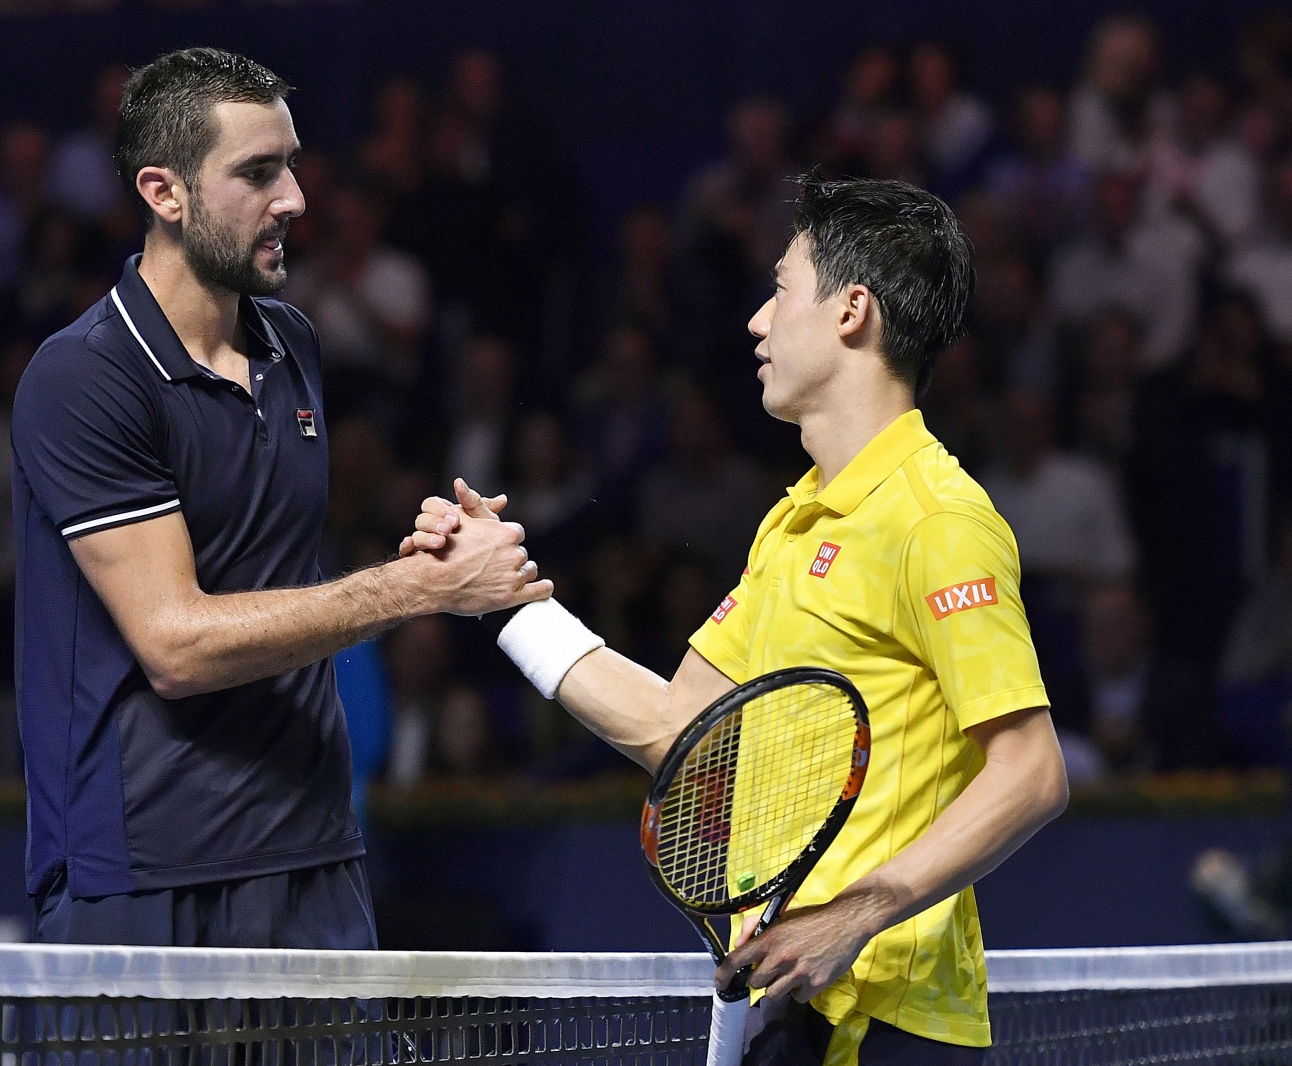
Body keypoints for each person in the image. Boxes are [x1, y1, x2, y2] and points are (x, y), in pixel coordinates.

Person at [405, 176, 1067, 1063]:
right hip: (785, 998)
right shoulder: (794, 520)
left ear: (851, 311)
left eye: (782, 289)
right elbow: (679, 730)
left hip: (886, 1016)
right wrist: (507, 600)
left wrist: (858, 912)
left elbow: (1031, 773)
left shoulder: (937, 519)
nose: (756, 323)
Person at [10, 48, 547, 950]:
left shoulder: (290, 343)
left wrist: (427, 557)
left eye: (291, 164)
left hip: (316, 866)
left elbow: (274, 571)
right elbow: (175, 644)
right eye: (258, 172)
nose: (295, 197)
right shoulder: (85, 377)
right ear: (164, 192)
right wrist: (417, 593)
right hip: (143, 879)